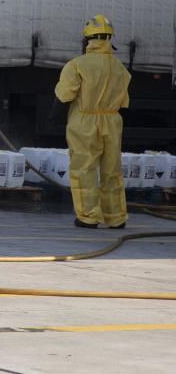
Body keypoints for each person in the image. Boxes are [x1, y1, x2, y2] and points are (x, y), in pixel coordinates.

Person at [54, 15, 130, 229]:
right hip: (112, 120)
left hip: (85, 120)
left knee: (83, 169)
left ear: (87, 39)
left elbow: (65, 95)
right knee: (112, 170)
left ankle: (88, 217)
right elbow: (124, 100)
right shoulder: (120, 68)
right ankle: (116, 218)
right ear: (109, 38)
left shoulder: (76, 65)